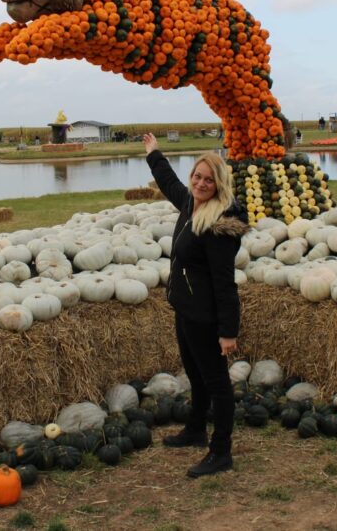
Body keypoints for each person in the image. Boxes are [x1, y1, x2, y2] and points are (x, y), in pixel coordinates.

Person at [143, 132, 248, 478]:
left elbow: (224, 283)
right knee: (195, 374)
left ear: (219, 184)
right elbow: (171, 185)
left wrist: (228, 331)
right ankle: (195, 430)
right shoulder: (192, 204)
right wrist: (155, 155)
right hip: (186, 309)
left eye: (208, 179)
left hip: (205, 317)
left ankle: (222, 452)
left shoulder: (219, 225)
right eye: (197, 177)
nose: (200, 183)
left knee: (217, 382)